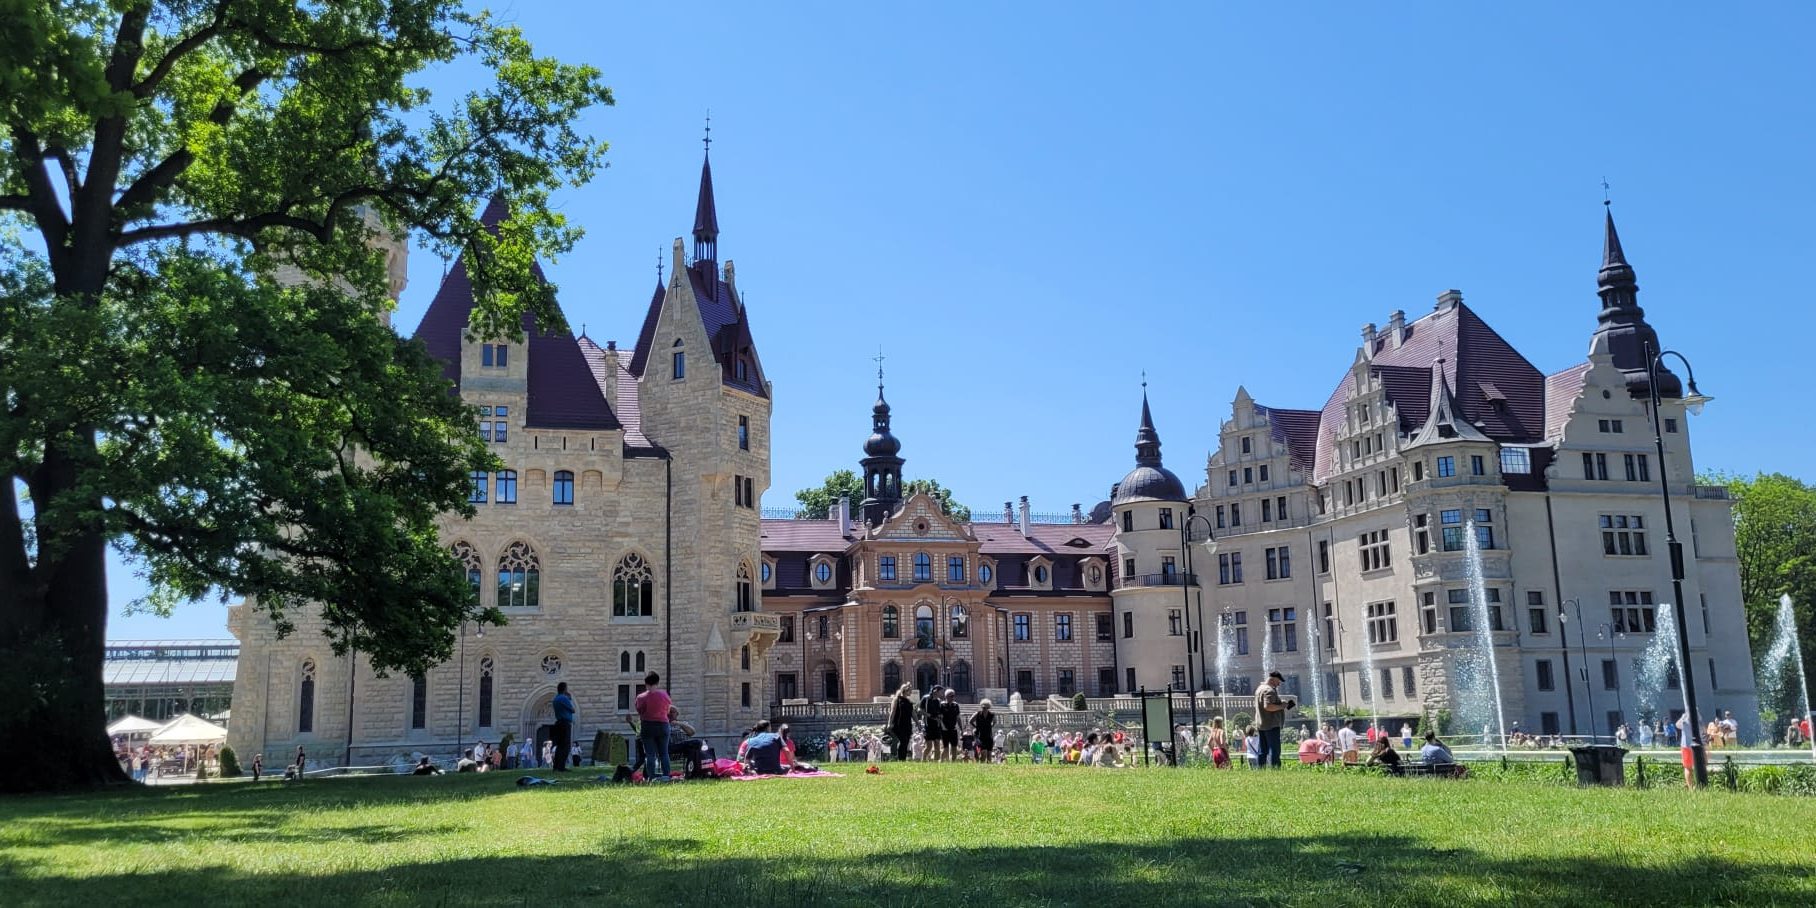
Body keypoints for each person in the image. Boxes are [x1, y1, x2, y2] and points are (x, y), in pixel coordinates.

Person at [633, 671, 672, 781]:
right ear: (657, 682)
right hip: (663, 725)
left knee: (650, 754)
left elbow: (640, 711)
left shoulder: (641, 697)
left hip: (648, 725)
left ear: (646, 683)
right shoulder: (664, 695)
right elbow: (668, 710)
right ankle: (666, 776)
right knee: (664, 753)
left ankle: (651, 777)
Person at [1252, 671, 1294, 768]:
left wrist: (1279, 703)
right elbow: (1268, 706)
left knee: (1263, 750)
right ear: (1272, 679)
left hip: (1261, 724)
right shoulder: (1269, 690)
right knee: (1275, 750)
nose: (1279, 684)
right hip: (1271, 724)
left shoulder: (1259, 689)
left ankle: (1261, 769)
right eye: (1278, 681)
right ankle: (1276, 769)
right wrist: (1282, 706)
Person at [547, 681, 577, 772]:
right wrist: (569, 698)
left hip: (558, 723)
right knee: (565, 746)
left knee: (559, 746)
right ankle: (561, 767)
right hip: (565, 723)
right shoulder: (564, 698)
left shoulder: (556, 698)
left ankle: (556, 766)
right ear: (564, 689)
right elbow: (573, 710)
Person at [888, 684, 916, 761]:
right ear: (905, 691)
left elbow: (913, 713)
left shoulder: (909, 701)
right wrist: (889, 723)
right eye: (910, 690)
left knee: (906, 742)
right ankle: (900, 758)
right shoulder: (897, 700)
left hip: (907, 724)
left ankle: (903, 758)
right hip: (898, 724)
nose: (911, 692)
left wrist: (918, 723)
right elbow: (892, 712)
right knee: (903, 741)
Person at [921, 688, 946, 761]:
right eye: (941, 692)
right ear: (935, 691)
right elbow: (920, 710)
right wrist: (929, 715)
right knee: (929, 746)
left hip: (937, 725)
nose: (942, 693)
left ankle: (935, 762)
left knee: (937, 744)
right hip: (928, 725)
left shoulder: (938, 701)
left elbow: (940, 712)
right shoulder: (926, 699)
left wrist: (940, 716)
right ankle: (924, 760)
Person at [939, 689, 962, 762]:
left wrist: (961, 728)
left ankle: (953, 762)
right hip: (944, 729)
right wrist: (943, 726)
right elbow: (940, 718)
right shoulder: (942, 705)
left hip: (953, 729)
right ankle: (941, 761)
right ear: (946, 696)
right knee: (946, 748)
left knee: (954, 747)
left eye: (953, 696)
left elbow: (958, 718)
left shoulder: (956, 705)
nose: (953, 698)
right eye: (951, 696)